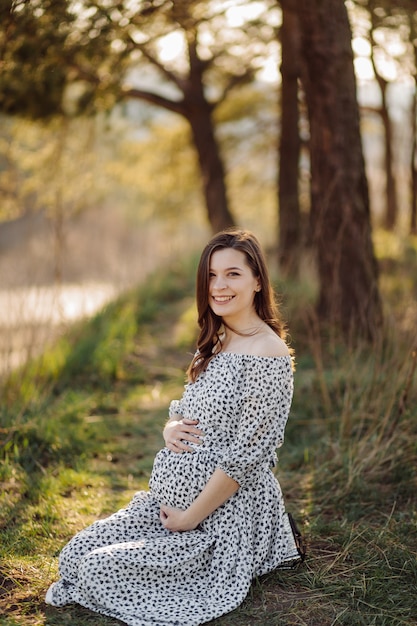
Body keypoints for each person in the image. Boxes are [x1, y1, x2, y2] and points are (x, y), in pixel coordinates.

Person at [45, 229, 302, 626]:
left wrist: (189, 518)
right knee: (74, 555)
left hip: (218, 518)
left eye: (232, 274)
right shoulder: (218, 341)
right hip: (167, 505)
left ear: (257, 282)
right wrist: (171, 428)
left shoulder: (266, 352)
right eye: (212, 275)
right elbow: (186, 410)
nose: (219, 286)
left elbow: (248, 455)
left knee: (97, 570)